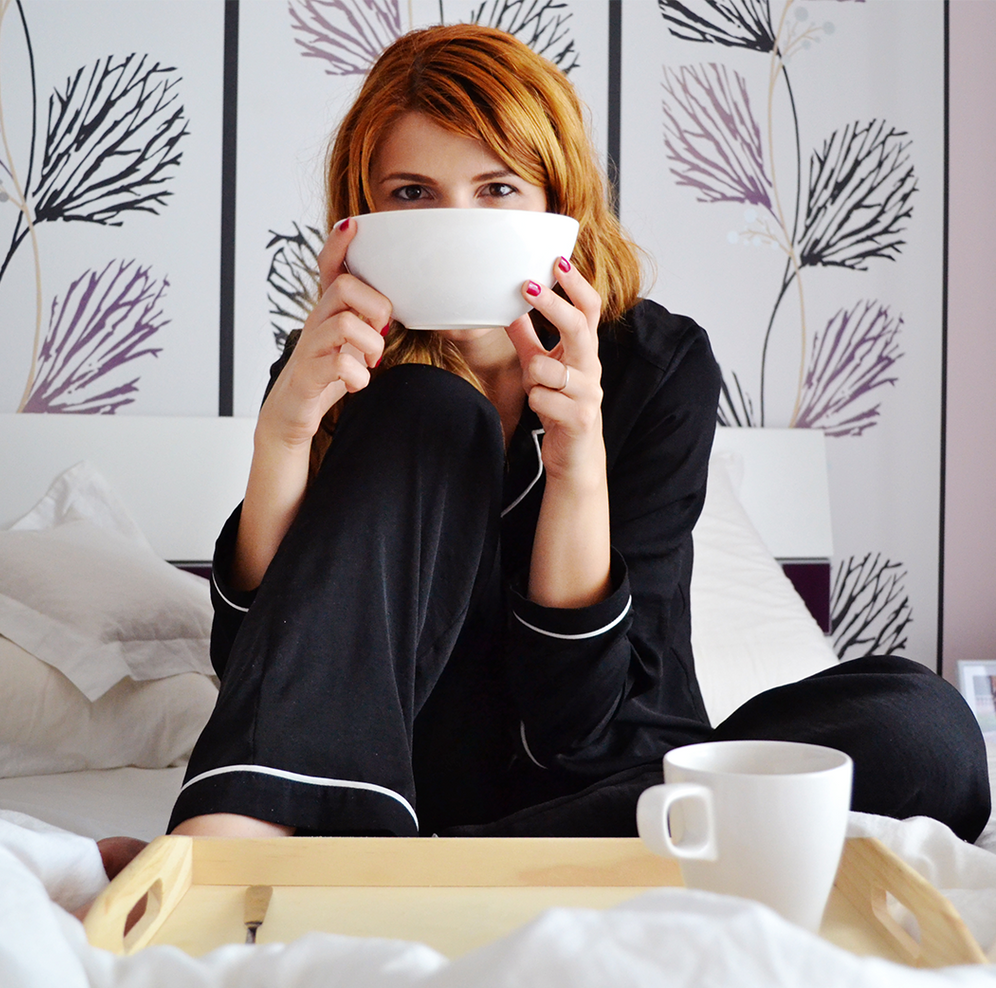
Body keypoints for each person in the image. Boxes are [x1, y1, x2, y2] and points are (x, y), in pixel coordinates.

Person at [168, 24, 990, 842]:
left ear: (558, 208)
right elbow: (269, 678)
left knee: (922, 732)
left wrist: (577, 466)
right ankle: (262, 834)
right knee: (427, 406)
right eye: (413, 194)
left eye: (497, 190)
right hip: (396, 778)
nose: (459, 223)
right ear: (365, 216)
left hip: (624, 774)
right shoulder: (341, 362)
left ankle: (448, 867)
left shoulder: (658, 367)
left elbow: (584, 721)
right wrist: (282, 437)